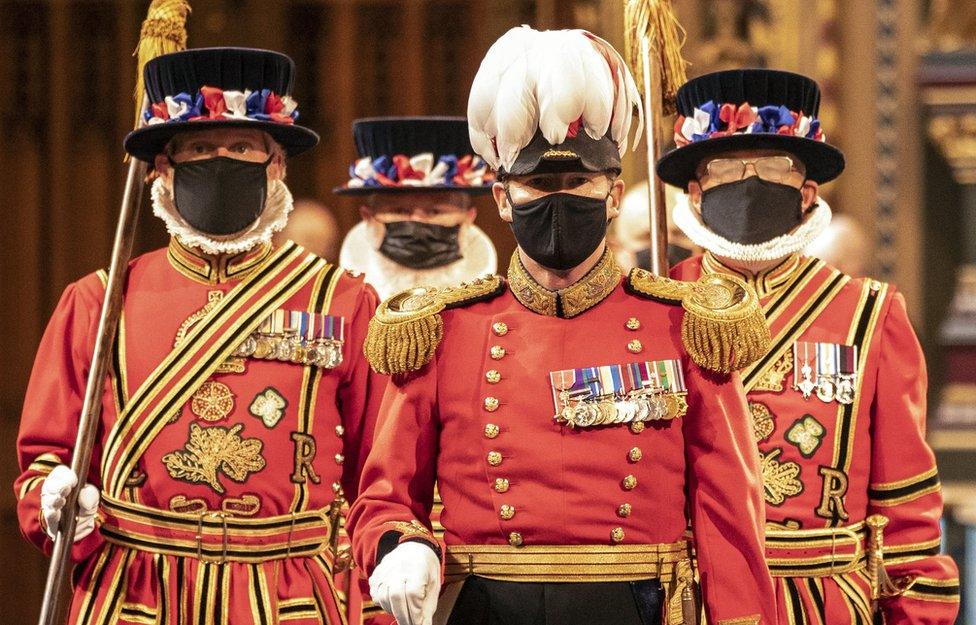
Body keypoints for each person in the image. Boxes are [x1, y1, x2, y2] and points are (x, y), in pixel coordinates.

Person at [347, 26, 777, 625]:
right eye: (537, 185)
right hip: (485, 609)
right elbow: (384, 497)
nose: (558, 198)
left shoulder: (682, 324)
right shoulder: (444, 330)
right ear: (502, 200)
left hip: (635, 607)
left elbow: (730, 511)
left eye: (577, 182)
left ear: (613, 194)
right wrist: (402, 546)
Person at [14, 47, 381, 625]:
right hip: (135, 594)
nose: (221, 161)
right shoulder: (98, 301)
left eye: (241, 147)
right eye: (200, 148)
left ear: (276, 163)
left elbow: (378, 477)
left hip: (288, 600)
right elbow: (42, 463)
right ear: (163, 166)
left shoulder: (343, 302)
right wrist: (55, 504)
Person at [661, 68, 961, 624]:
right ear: (696, 193)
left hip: (824, 604)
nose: (750, 182)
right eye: (725, 166)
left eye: (775, 165)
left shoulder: (870, 315)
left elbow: (907, 511)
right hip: (689, 604)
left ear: (807, 192)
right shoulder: (653, 306)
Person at [335, 117, 497, 299]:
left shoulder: (497, 317)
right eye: (400, 211)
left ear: (469, 218)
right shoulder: (337, 313)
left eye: (435, 211)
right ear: (367, 217)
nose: (417, 220)